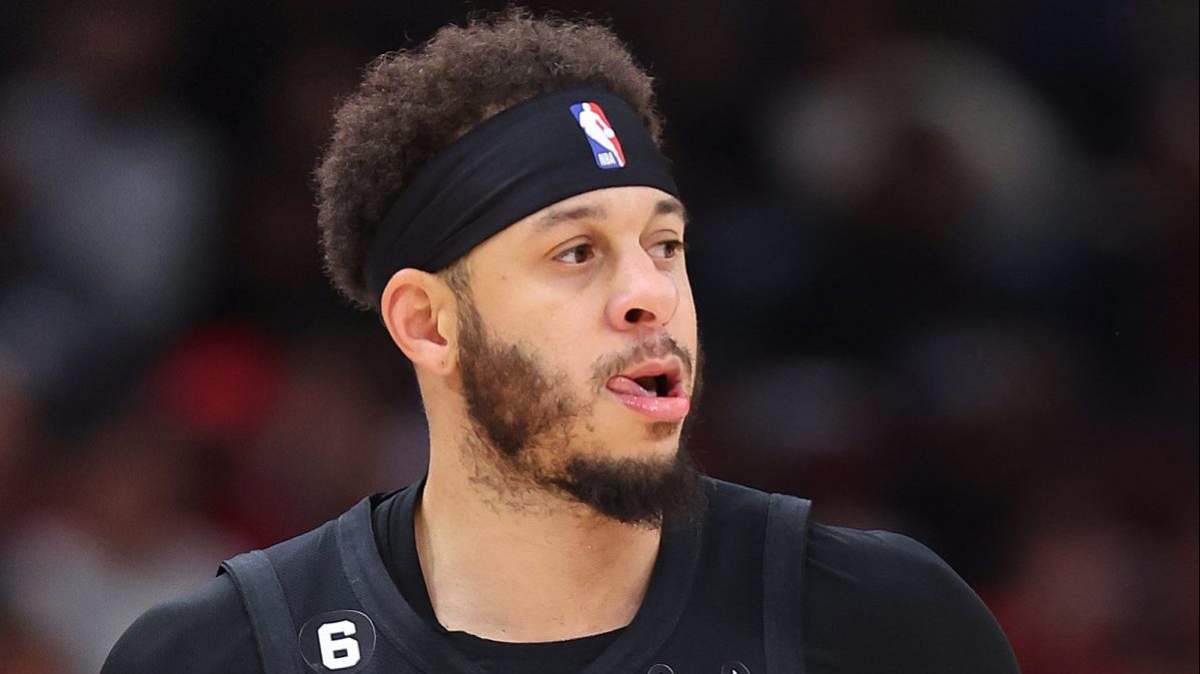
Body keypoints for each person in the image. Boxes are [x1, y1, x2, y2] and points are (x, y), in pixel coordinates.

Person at [103, 10, 1020, 674]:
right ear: (428, 323)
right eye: (576, 253)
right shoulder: (221, 655)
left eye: (664, 245)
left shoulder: (885, 624)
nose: (649, 295)